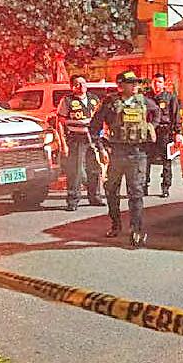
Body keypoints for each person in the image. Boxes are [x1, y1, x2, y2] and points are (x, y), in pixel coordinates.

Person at [90, 70, 159, 248]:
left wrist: (151, 127)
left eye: (137, 82)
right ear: (120, 85)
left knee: (136, 193)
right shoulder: (110, 103)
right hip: (116, 152)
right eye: (131, 82)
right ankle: (116, 224)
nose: (135, 85)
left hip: (137, 153)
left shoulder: (144, 102)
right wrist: (101, 148)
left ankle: (136, 230)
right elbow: (94, 126)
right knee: (111, 190)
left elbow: (157, 114)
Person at [56, 74, 104, 211]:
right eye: (77, 84)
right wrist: (63, 144)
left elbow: (101, 119)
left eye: (83, 83)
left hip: (93, 138)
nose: (81, 86)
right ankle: (73, 200)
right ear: (72, 87)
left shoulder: (94, 99)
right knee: (75, 171)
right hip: (76, 138)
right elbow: (60, 122)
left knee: (94, 168)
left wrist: (102, 139)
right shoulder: (67, 100)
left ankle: (95, 197)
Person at [143, 73, 182, 198]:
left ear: (164, 84)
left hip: (165, 132)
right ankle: (144, 186)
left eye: (159, 82)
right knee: (146, 160)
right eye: (154, 81)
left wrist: (178, 132)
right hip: (149, 132)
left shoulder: (170, 97)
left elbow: (176, 116)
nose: (157, 84)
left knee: (167, 161)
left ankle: (165, 187)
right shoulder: (146, 97)